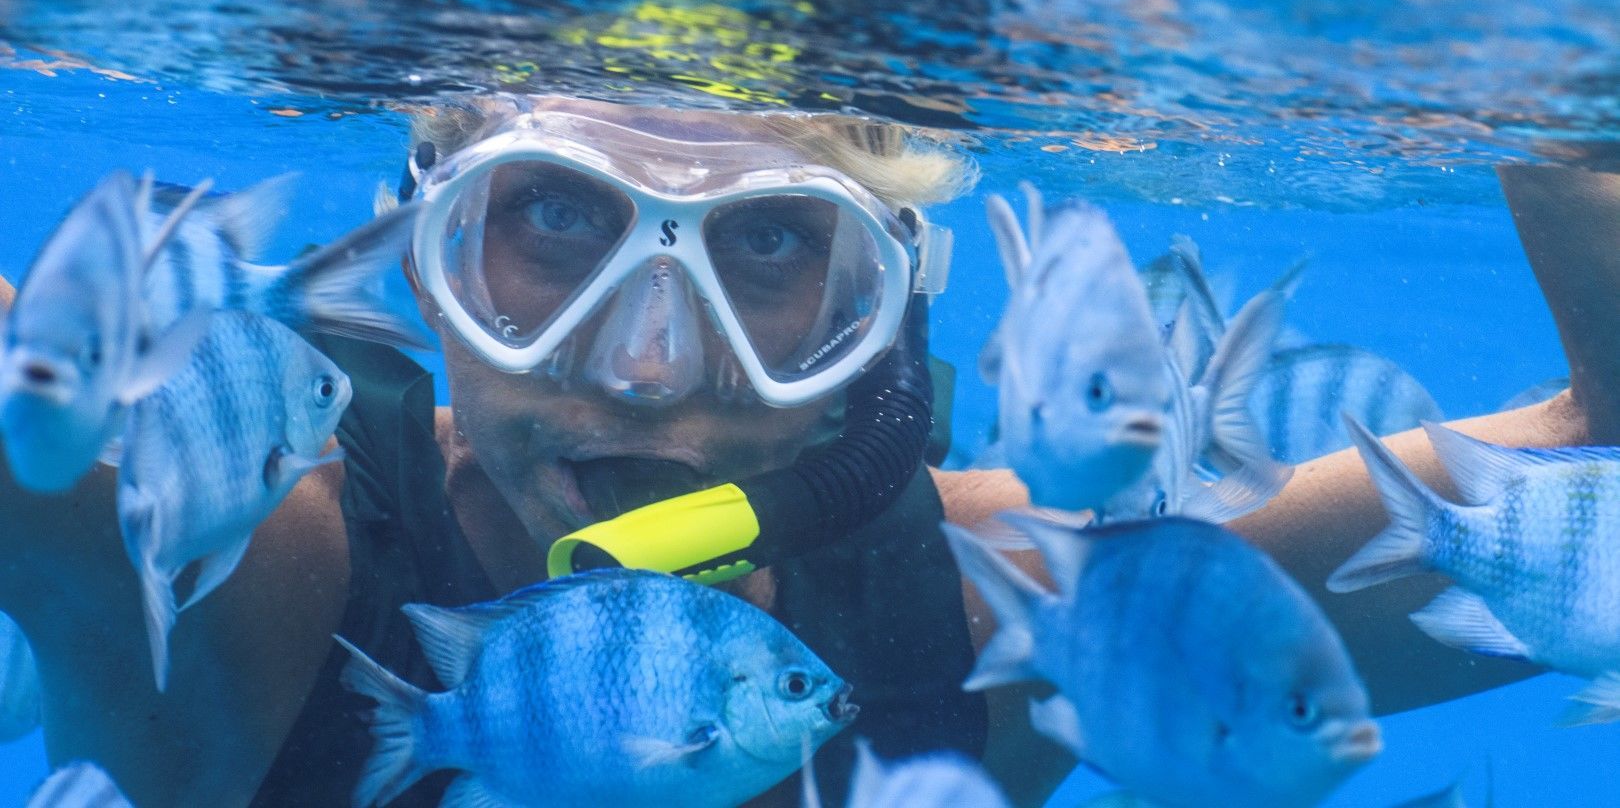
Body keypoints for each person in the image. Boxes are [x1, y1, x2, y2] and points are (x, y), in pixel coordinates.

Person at [0, 93, 1613, 808]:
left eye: (770, 247)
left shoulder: (986, 618)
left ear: (885, 320)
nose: (647, 368)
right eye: (552, 220)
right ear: (422, 262)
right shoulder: (243, 579)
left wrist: (1552, 48)